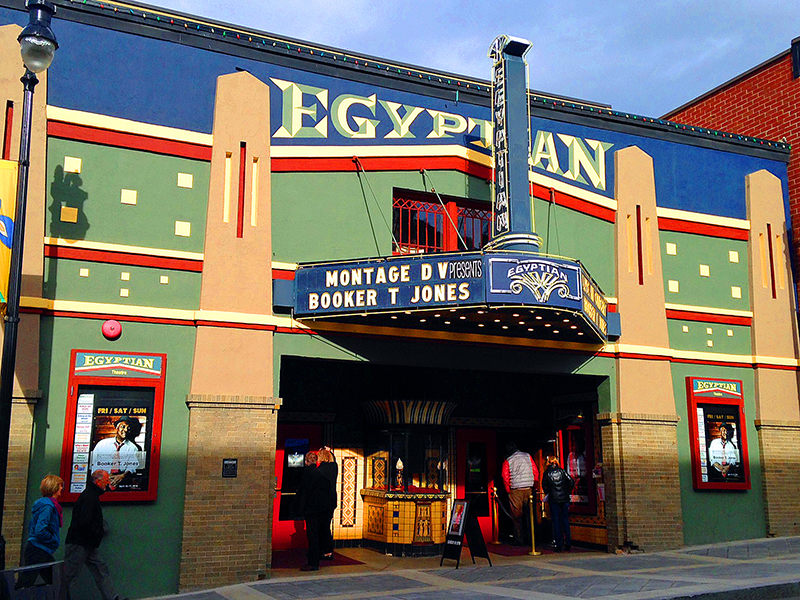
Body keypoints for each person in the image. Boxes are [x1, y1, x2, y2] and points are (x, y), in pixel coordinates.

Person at [64, 469, 127, 600]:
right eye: (106, 480)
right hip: (80, 543)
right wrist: (99, 531)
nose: (108, 483)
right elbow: (85, 521)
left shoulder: (90, 495)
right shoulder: (89, 497)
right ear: (98, 482)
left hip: (86, 542)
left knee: (100, 569)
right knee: (69, 575)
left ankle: (113, 597)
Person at [16, 475, 64, 588]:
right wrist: (52, 539)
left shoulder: (41, 504)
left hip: (38, 549)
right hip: (39, 549)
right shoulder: (48, 507)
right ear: (54, 488)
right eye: (60, 486)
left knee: (53, 581)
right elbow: (40, 530)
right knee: (26, 583)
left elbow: (32, 528)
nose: (62, 488)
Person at [294, 451, 331, 571]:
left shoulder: (307, 473)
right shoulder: (322, 474)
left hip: (311, 510)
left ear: (306, 462)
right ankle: (317, 558)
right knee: (318, 534)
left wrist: (299, 509)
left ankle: (313, 563)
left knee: (312, 536)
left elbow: (303, 493)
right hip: (322, 509)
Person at [501, 441, 539, 546]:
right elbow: (535, 472)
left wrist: (508, 490)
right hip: (529, 488)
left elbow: (505, 476)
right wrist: (534, 486)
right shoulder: (528, 456)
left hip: (516, 489)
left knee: (517, 516)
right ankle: (532, 539)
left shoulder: (508, 460)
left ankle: (519, 539)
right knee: (530, 515)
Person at [90, 415, 142, 489]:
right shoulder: (102, 444)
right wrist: (105, 476)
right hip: (101, 483)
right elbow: (94, 463)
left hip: (121, 483)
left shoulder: (133, 448)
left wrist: (122, 476)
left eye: (128, 427)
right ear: (117, 428)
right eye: (123, 427)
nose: (126, 430)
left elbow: (133, 466)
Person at [542, 455, 574, 552]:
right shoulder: (562, 471)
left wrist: (550, 492)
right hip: (564, 499)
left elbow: (545, 486)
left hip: (554, 500)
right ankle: (568, 543)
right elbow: (571, 482)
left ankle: (558, 544)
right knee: (565, 521)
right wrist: (566, 491)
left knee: (556, 522)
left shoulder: (547, 473)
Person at [316, 447, 338, 561]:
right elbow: (335, 461)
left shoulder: (320, 469)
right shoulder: (334, 467)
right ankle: (327, 550)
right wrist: (330, 451)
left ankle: (326, 551)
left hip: (322, 502)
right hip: (331, 501)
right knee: (326, 526)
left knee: (322, 527)